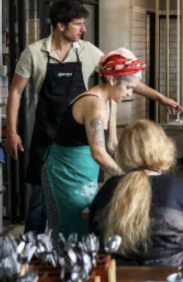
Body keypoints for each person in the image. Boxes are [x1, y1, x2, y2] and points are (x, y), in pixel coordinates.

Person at [5, 0, 180, 235]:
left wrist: (161, 98)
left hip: (85, 136)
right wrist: (13, 132)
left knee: (84, 201)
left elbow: (123, 77)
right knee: (40, 202)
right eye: (78, 24)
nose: (83, 29)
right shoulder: (34, 53)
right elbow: (16, 91)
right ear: (60, 25)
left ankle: (67, 244)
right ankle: (32, 253)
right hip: (47, 136)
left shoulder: (89, 52)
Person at [41, 49, 163, 246]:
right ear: (113, 80)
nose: (130, 93)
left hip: (82, 171)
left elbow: (110, 144)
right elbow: (98, 152)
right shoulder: (94, 103)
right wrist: (127, 179)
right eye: (128, 87)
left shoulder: (109, 100)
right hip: (64, 172)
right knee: (70, 231)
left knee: (86, 226)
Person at [90, 120, 183, 267]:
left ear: (123, 151)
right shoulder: (182, 189)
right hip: (175, 274)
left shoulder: (108, 189)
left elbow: (95, 231)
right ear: (163, 148)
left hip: (120, 276)